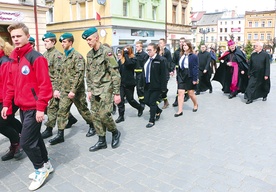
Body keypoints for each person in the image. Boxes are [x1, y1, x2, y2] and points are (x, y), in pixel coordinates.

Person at [1, 22, 53, 191]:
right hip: (22, 107)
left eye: (19, 36)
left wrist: (40, 108)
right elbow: (10, 85)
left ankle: (39, 169)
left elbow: (45, 85)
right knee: (35, 137)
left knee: (26, 142)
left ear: (27, 36)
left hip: (34, 107)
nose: (16, 39)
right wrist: (7, 105)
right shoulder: (13, 59)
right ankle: (46, 164)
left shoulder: (36, 57)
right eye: (13, 37)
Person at [48, 33, 95, 145]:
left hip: (76, 91)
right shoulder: (63, 57)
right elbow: (59, 75)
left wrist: (73, 91)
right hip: (64, 90)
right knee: (62, 111)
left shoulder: (77, 57)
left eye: (64, 42)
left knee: (83, 110)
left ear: (70, 42)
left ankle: (92, 125)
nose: (62, 44)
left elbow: (79, 75)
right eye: (62, 42)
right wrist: (57, 89)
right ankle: (60, 135)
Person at [82, 27, 121, 152]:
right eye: (86, 40)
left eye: (89, 39)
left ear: (96, 38)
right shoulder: (89, 55)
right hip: (94, 89)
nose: (88, 42)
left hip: (106, 88)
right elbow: (88, 73)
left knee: (104, 115)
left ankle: (115, 132)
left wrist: (117, 93)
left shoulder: (107, 52)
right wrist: (89, 90)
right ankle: (101, 140)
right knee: (95, 115)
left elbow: (115, 73)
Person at [40, 32, 80, 139]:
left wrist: (57, 89)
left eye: (47, 41)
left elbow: (59, 74)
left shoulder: (57, 55)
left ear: (53, 42)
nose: (45, 43)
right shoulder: (45, 55)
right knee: (56, 107)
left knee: (53, 107)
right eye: (44, 41)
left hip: (55, 85)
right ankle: (70, 119)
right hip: (47, 85)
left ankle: (49, 129)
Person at [0, 36, 23, 161]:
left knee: (2, 124)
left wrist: (6, 104)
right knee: (9, 120)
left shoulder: (4, 61)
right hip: (3, 98)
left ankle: (17, 142)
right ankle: (20, 140)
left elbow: (7, 85)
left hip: (8, 98)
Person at [115, 45, 144, 123]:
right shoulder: (121, 60)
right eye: (125, 50)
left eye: (127, 50)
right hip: (122, 83)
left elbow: (129, 64)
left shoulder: (133, 58)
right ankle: (121, 116)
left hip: (129, 83)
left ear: (130, 51)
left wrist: (127, 54)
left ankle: (139, 107)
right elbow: (118, 69)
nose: (125, 51)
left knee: (130, 100)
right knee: (120, 100)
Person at [143, 43, 167, 128]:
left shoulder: (160, 60)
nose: (148, 52)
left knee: (152, 102)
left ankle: (151, 120)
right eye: (147, 50)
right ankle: (158, 110)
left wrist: (164, 88)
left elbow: (164, 75)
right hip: (147, 84)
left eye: (150, 50)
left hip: (156, 85)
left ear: (155, 50)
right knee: (146, 101)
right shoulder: (146, 58)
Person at [174, 40, 199, 117]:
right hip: (181, 75)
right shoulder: (181, 55)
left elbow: (195, 68)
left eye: (186, 45)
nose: (184, 46)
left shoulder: (193, 56)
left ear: (189, 46)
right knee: (180, 93)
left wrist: (195, 79)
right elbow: (179, 68)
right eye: (183, 45)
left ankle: (195, 104)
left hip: (189, 75)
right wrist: (177, 78)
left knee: (190, 93)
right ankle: (180, 110)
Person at [172, 37, 189, 107]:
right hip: (179, 72)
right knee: (179, 86)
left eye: (183, 42)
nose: (181, 43)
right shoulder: (176, 52)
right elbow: (173, 61)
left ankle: (187, 94)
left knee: (187, 86)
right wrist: (172, 69)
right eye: (180, 42)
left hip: (187, 72)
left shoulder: (188, 52)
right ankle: (177, 100)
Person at [158, 38, 173, 109]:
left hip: (165, 72)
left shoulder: (167, 52)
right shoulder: (158, 51)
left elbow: (169, 62)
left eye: (161, 43)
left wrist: (171, 70)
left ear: (164, 43)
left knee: (163, 88)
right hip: (158, 73)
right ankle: (165, 101)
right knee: (158, 88)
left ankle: (165, 102)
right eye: (159, 43)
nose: (159, 44)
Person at [135, 41, 148, 107]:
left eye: (137, 46)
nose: (136, 47)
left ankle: (143, 102)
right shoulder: (136, 55)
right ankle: (141, 101)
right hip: (136, 75)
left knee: (141, 89)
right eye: (136, 46)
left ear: (141, 47)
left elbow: (145, 66)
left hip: (142, 75)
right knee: (138, 89)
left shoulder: (145, 55)